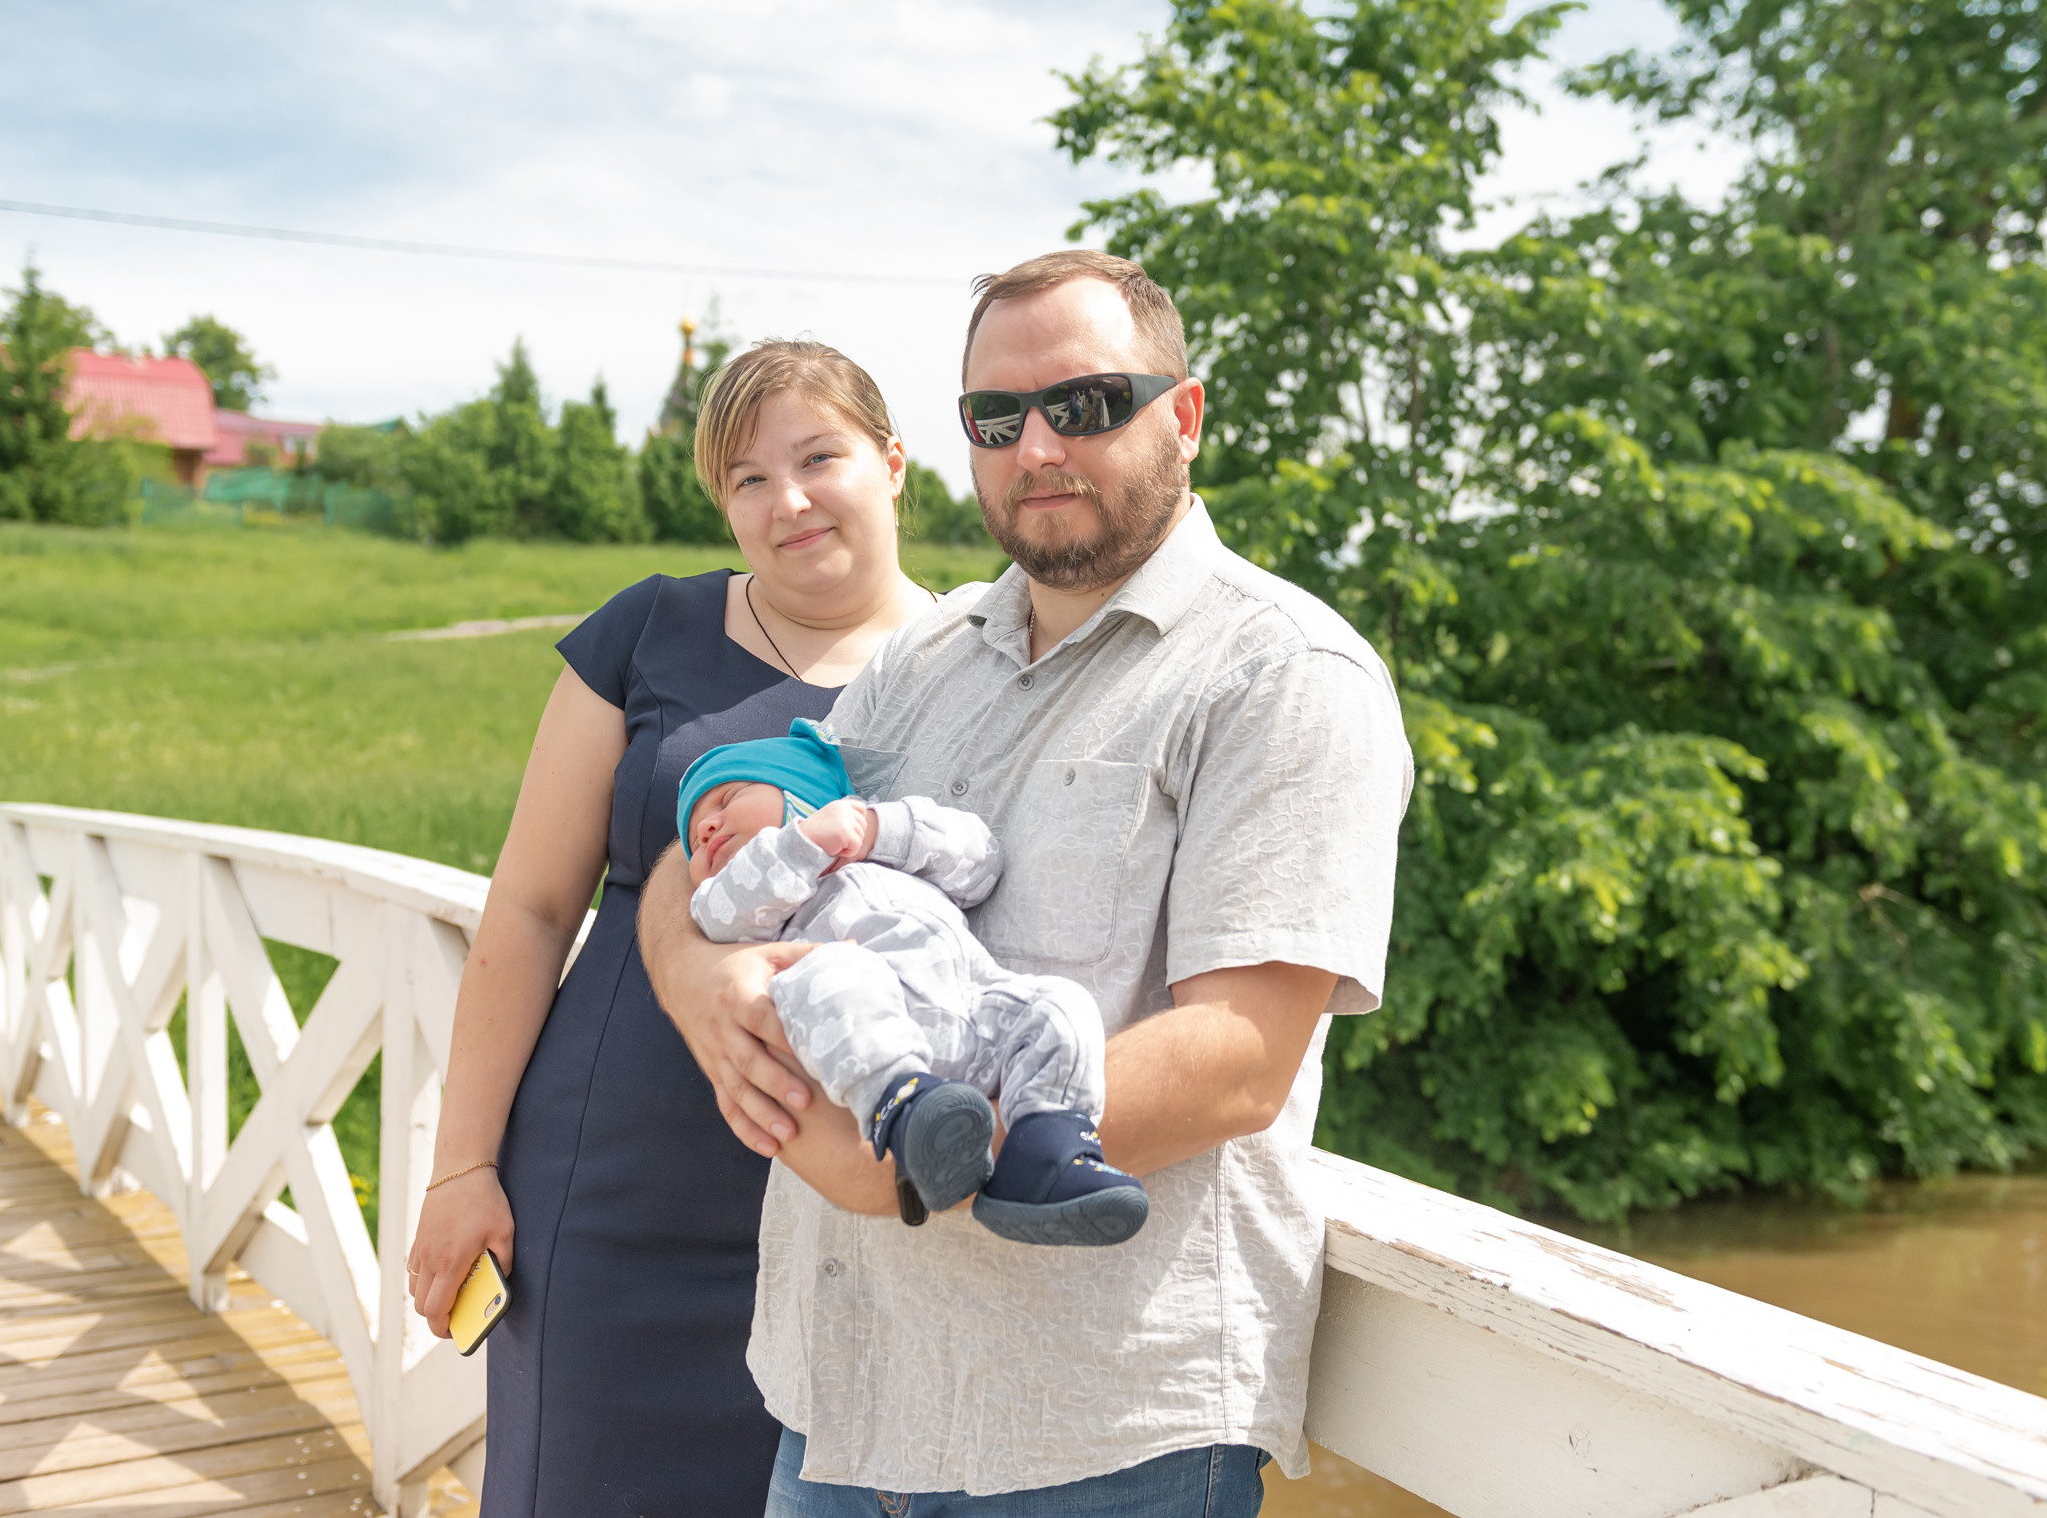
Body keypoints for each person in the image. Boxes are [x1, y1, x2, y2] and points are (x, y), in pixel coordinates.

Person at [639, 250, 1415, 1515]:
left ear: (1186, 413)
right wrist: (698, 980)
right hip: (840, 1400)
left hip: (1093, 1430)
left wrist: (887, 1160)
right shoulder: (921, 659)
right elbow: (712, 841)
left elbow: (1238, 1058)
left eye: (1087, 403)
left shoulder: (1284, 676)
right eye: (995, 419)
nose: (1036, 445)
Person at [404, 340, 938, 1518]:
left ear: (893, 464)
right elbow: (533, 907)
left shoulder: (968, 669)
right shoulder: (649, 630)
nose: (785, 499)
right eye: (745, 477)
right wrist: (462, 1165)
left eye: (817, 456)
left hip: (843, 1222)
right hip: (607, 1198)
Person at [674, 718, 1149, 1245]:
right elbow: (721, 913)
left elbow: (979, 863)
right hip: (872, 1030)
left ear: (801, 793)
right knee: (834, 973)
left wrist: (879, 829)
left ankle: (1050, 1146)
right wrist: (801, 845)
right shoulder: (753, 905)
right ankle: (907, 1113)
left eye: (726, 799)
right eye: (694, 834)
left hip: (974, 1009)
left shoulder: (888, 854)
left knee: (1058, 1005)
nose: (707, 827)